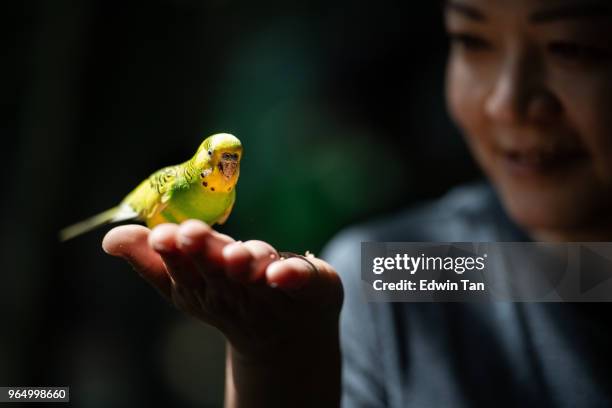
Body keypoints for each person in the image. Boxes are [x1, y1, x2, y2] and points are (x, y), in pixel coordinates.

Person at [102, 0, 612, 406]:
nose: (507, 102)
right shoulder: (405, 272)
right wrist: (273, 364)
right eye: (472, 40)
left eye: (571, 47)